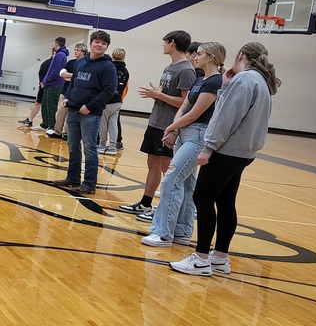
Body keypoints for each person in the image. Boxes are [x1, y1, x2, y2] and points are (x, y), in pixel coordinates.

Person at [170, 42, 280, 276]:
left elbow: (225, 117)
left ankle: (200, 259)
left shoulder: (245, 80)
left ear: (240, 55)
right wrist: (226, 86)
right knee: (226, 201)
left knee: (203, 197)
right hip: (244, 152)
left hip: (226, 150)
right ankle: (220, 257)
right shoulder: (260, 80)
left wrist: (209, 147)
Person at [141, 42, 225, 248]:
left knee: (171, 179)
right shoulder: (199, 80)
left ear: (211, 58)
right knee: (187, 183)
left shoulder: (215, 82)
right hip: (184, 132)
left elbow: (196, 113)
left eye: (199, 54)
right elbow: (186, 105)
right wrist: (175, 128)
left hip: (198, 135)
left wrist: (170, 127)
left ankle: (163, 233)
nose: (195, 57)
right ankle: (181, 231)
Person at [118, 30, 196, 218]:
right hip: (156, 122)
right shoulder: (170, 67)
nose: (163, 45)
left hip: (168, 126)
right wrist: (157, 94)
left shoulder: (186, 70)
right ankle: (145, 204)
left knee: (167, 168)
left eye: (165, 42)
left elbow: (186, 102)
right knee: (152, 163)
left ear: (173, 43)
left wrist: (159, 95)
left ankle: (166, 210)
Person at [52, 30, 116, 195]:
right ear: (91, 43)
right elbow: (73, 83)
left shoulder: (108, 66)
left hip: (91, 114)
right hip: (73, 110)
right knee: (73, 146)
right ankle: (72, 177)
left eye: (103, 43)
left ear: (106, 46)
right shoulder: (80, 62)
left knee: (89, 148)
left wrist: (90, 106)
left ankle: (89, 183)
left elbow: (108, 91)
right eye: (97, 41)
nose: (99, 45)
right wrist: (68, 97)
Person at [47, 43, 86, 138]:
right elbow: (62, 73)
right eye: (75, 50)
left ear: (83, 52)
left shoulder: (86, 63)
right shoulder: (71, 62)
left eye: (77, 50)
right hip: (65, 91)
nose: (75, 52)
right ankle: (57, 131)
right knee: (60, 112)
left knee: (71, 114)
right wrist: (74, 75)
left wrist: (71, 76)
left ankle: (67, 133)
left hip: (76, 94)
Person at [97, 48, 129, 155]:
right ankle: (112, 146)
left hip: (107, 101)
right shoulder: (125, 71)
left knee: (103, 123)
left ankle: (101, 145)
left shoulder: (108, 67)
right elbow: (125, 86)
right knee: (113, 124)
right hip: (118, 101)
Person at [38, 37, 69, 130]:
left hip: (54, 84)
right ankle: (46, 123)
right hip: (51, 83)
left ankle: (51, 126)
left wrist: (46, 81)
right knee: (45, 104)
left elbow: (55, 71)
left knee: (51, 105)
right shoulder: (60, 54)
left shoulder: (60, 55)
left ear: (56, 44)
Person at [19, 54, 53, 127]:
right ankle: (30, 120)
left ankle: (48, 124)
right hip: (45, 86)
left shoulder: (55, 63)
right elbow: (41, 74)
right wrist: (41, 82)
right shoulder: (47, 63)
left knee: (47, 105)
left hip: (51, 87)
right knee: (38, 103)